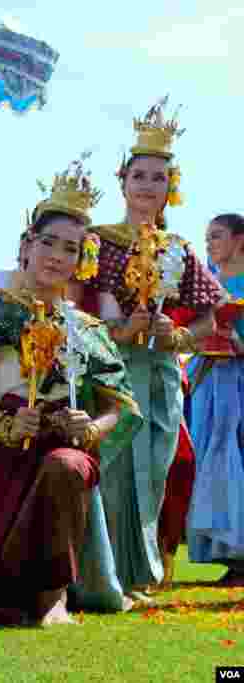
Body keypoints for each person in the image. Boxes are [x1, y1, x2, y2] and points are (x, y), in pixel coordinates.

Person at [0, 158, 142, 625]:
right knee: (19, 481)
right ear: (27, 246)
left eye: (72, 249)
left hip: (65, 447)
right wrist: (2, 421)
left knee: (65, 467)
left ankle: (51, 594)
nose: (58, 256)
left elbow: (117, 407)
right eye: (49, 243)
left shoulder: (88, 329)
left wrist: (91, 427)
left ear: (84, 261)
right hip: (4, 448)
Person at [85, 99, 222, 602]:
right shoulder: (96, 242)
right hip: (111, 370)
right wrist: (119, 328)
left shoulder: (180, 248)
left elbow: (211, 314)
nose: (147, 186)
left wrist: (177, 337)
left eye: (158, 178)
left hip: (162, 372)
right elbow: (76, 308)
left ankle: (139, 574)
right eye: (139, 175)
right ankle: (105, 574)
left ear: (171, 187)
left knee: (155, 468)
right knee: (115, 467)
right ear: (122, 181)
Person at [187, 213, 244, 585]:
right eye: (207, 237)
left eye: (218, 236)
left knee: (231, 454)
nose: (209, 243)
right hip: (206, 379)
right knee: (206, 456)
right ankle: (223, 548)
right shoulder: (205, 280)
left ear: (240, 240)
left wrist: (235, 338)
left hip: (237, 381)